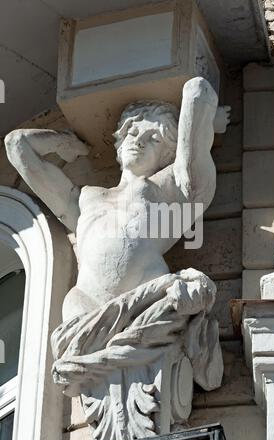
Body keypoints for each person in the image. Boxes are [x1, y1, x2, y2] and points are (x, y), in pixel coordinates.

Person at [5, 77, 228, 320]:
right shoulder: (83, 199)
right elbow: (17, 145)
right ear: (120, 144)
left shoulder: (170, 190)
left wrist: (199, 127)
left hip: (145, 296)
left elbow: (197, 90)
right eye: (132, 132)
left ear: (168, 155)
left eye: (154, 138)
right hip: (84, 303)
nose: (139, 141)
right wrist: (64, 143)